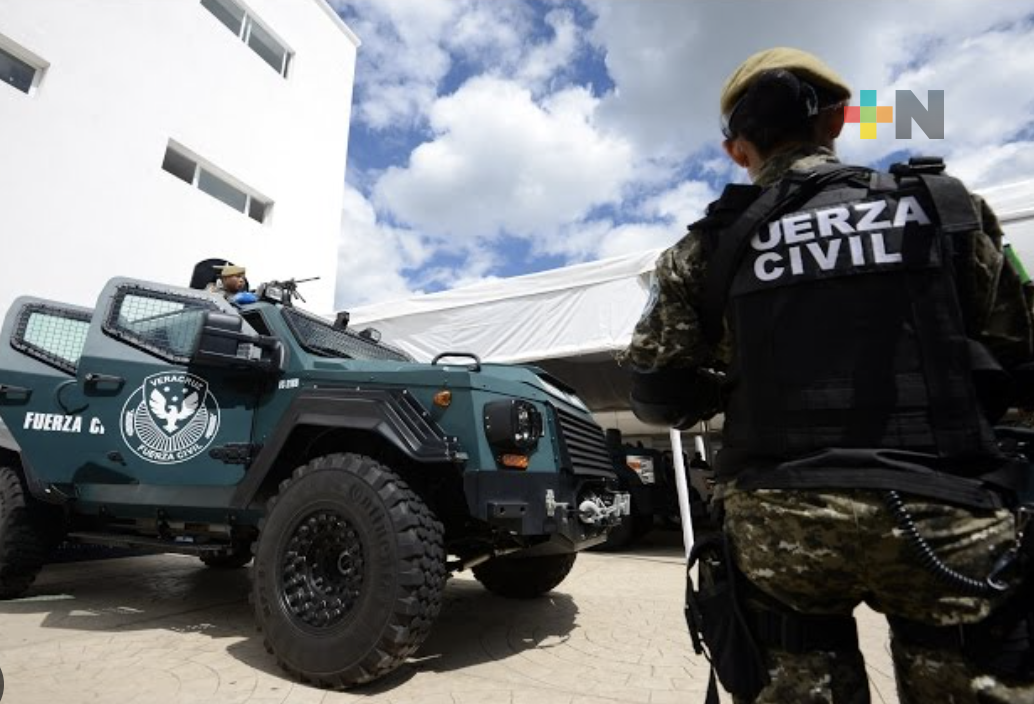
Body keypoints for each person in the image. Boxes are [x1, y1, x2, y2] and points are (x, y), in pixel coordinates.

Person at [621, 47, 1034, 703]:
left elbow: (656, 392)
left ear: (737, 151)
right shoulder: (945, 205)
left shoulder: (705, 248)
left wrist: (726, 387)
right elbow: (1020, 360)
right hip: (945, 513)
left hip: (781, 522)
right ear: (837, 122)